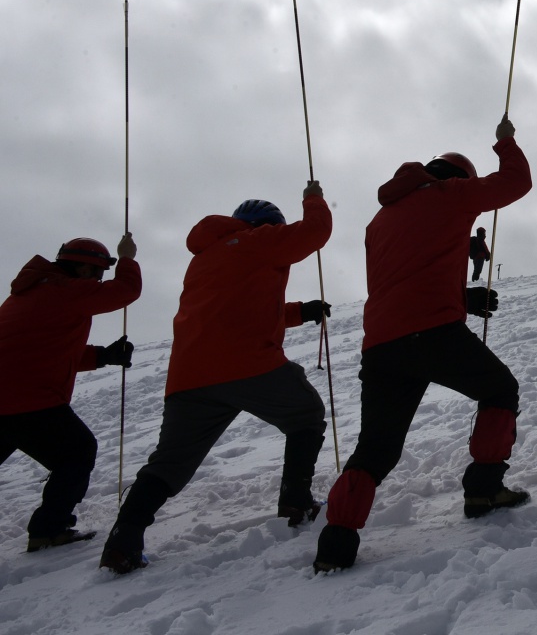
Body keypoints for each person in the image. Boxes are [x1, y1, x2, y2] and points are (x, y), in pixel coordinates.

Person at [313, 117, 532, 573]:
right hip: (433, 333)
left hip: (382, 346)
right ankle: (484, 490)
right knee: (499, 390)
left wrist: (462, 299)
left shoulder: (379, 220)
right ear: (459, 177)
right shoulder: (450, 194)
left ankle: (336, 543)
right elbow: (517, 183)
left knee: (375, 448)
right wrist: (506, 142)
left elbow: (408, 275)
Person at [99, 182, 332, 574]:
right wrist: (313, 197)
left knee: (169, 463)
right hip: (248, 364)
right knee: (305, 415)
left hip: (190, 377)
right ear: (266, 226)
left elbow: (240, 309)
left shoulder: (206, 256)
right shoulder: (258, 240)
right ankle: (296, 502)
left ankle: (122, 544)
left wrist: (300, 312)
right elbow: (315, 232)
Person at [0, 234, 139, 552]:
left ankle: (49, 529)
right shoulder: (64, 289)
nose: (98, 281)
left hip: (11, 398)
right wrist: (127, 258)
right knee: (76, 451)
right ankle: (49, 531)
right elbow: (126, 291)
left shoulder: (33, 292)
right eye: (98, 274)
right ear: (84, 269)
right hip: (27, 399)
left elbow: (48, 351)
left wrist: (104, 356)